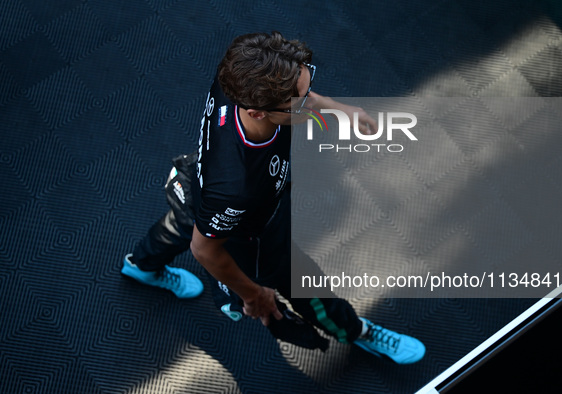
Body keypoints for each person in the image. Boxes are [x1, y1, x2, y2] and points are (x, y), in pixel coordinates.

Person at [121, 32, 425, 364]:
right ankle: (355, 331)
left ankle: (141, 266)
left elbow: (298, 94)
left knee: (185, 219)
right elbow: (204, 249)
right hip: (251, 231)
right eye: (298, 100)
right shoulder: (239, 185)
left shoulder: (239, 75)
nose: (308, 102)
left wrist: (340, 109)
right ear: (257, 112)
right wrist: (254, 294)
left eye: (307, 83)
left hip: (198, 184)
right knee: (305, 283)